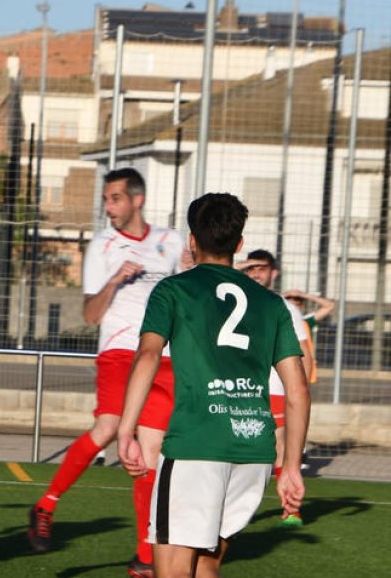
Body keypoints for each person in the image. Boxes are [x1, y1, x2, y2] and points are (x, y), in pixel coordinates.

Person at [117, 192, 309, 578]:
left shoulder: (173, 291)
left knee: (171, 570)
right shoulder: (272, 304)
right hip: (252, 450)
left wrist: (125, 430)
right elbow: (299, 390)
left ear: (191, 240)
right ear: (238, 245)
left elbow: (148, 356)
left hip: (196, 445)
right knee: (206, 567)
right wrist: (290, 465)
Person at [27, 167, 184, 578]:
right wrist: (115, 280)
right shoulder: (102, 246)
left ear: (137, 199)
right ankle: (47, 504)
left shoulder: (171, 242)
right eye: (106, 200)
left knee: (150, 455)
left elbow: (187, 296)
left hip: (163, 356)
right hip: (119, 352)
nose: (108, 207)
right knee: (110, 428)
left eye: (115, 198)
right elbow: (91, 315)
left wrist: (191, 271)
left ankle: (143, 558)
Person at [237, 249, 314, 528]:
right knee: (241, 448)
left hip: (275, 387)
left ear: (274, 273)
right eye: (251, 268)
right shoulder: (234, 301)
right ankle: (230, 506)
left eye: (262, 268)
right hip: (240, 388)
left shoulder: (285, 307)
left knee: (280, 447)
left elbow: (303, 351)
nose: (256, 273)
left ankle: (291, 509)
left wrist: (301, 393)